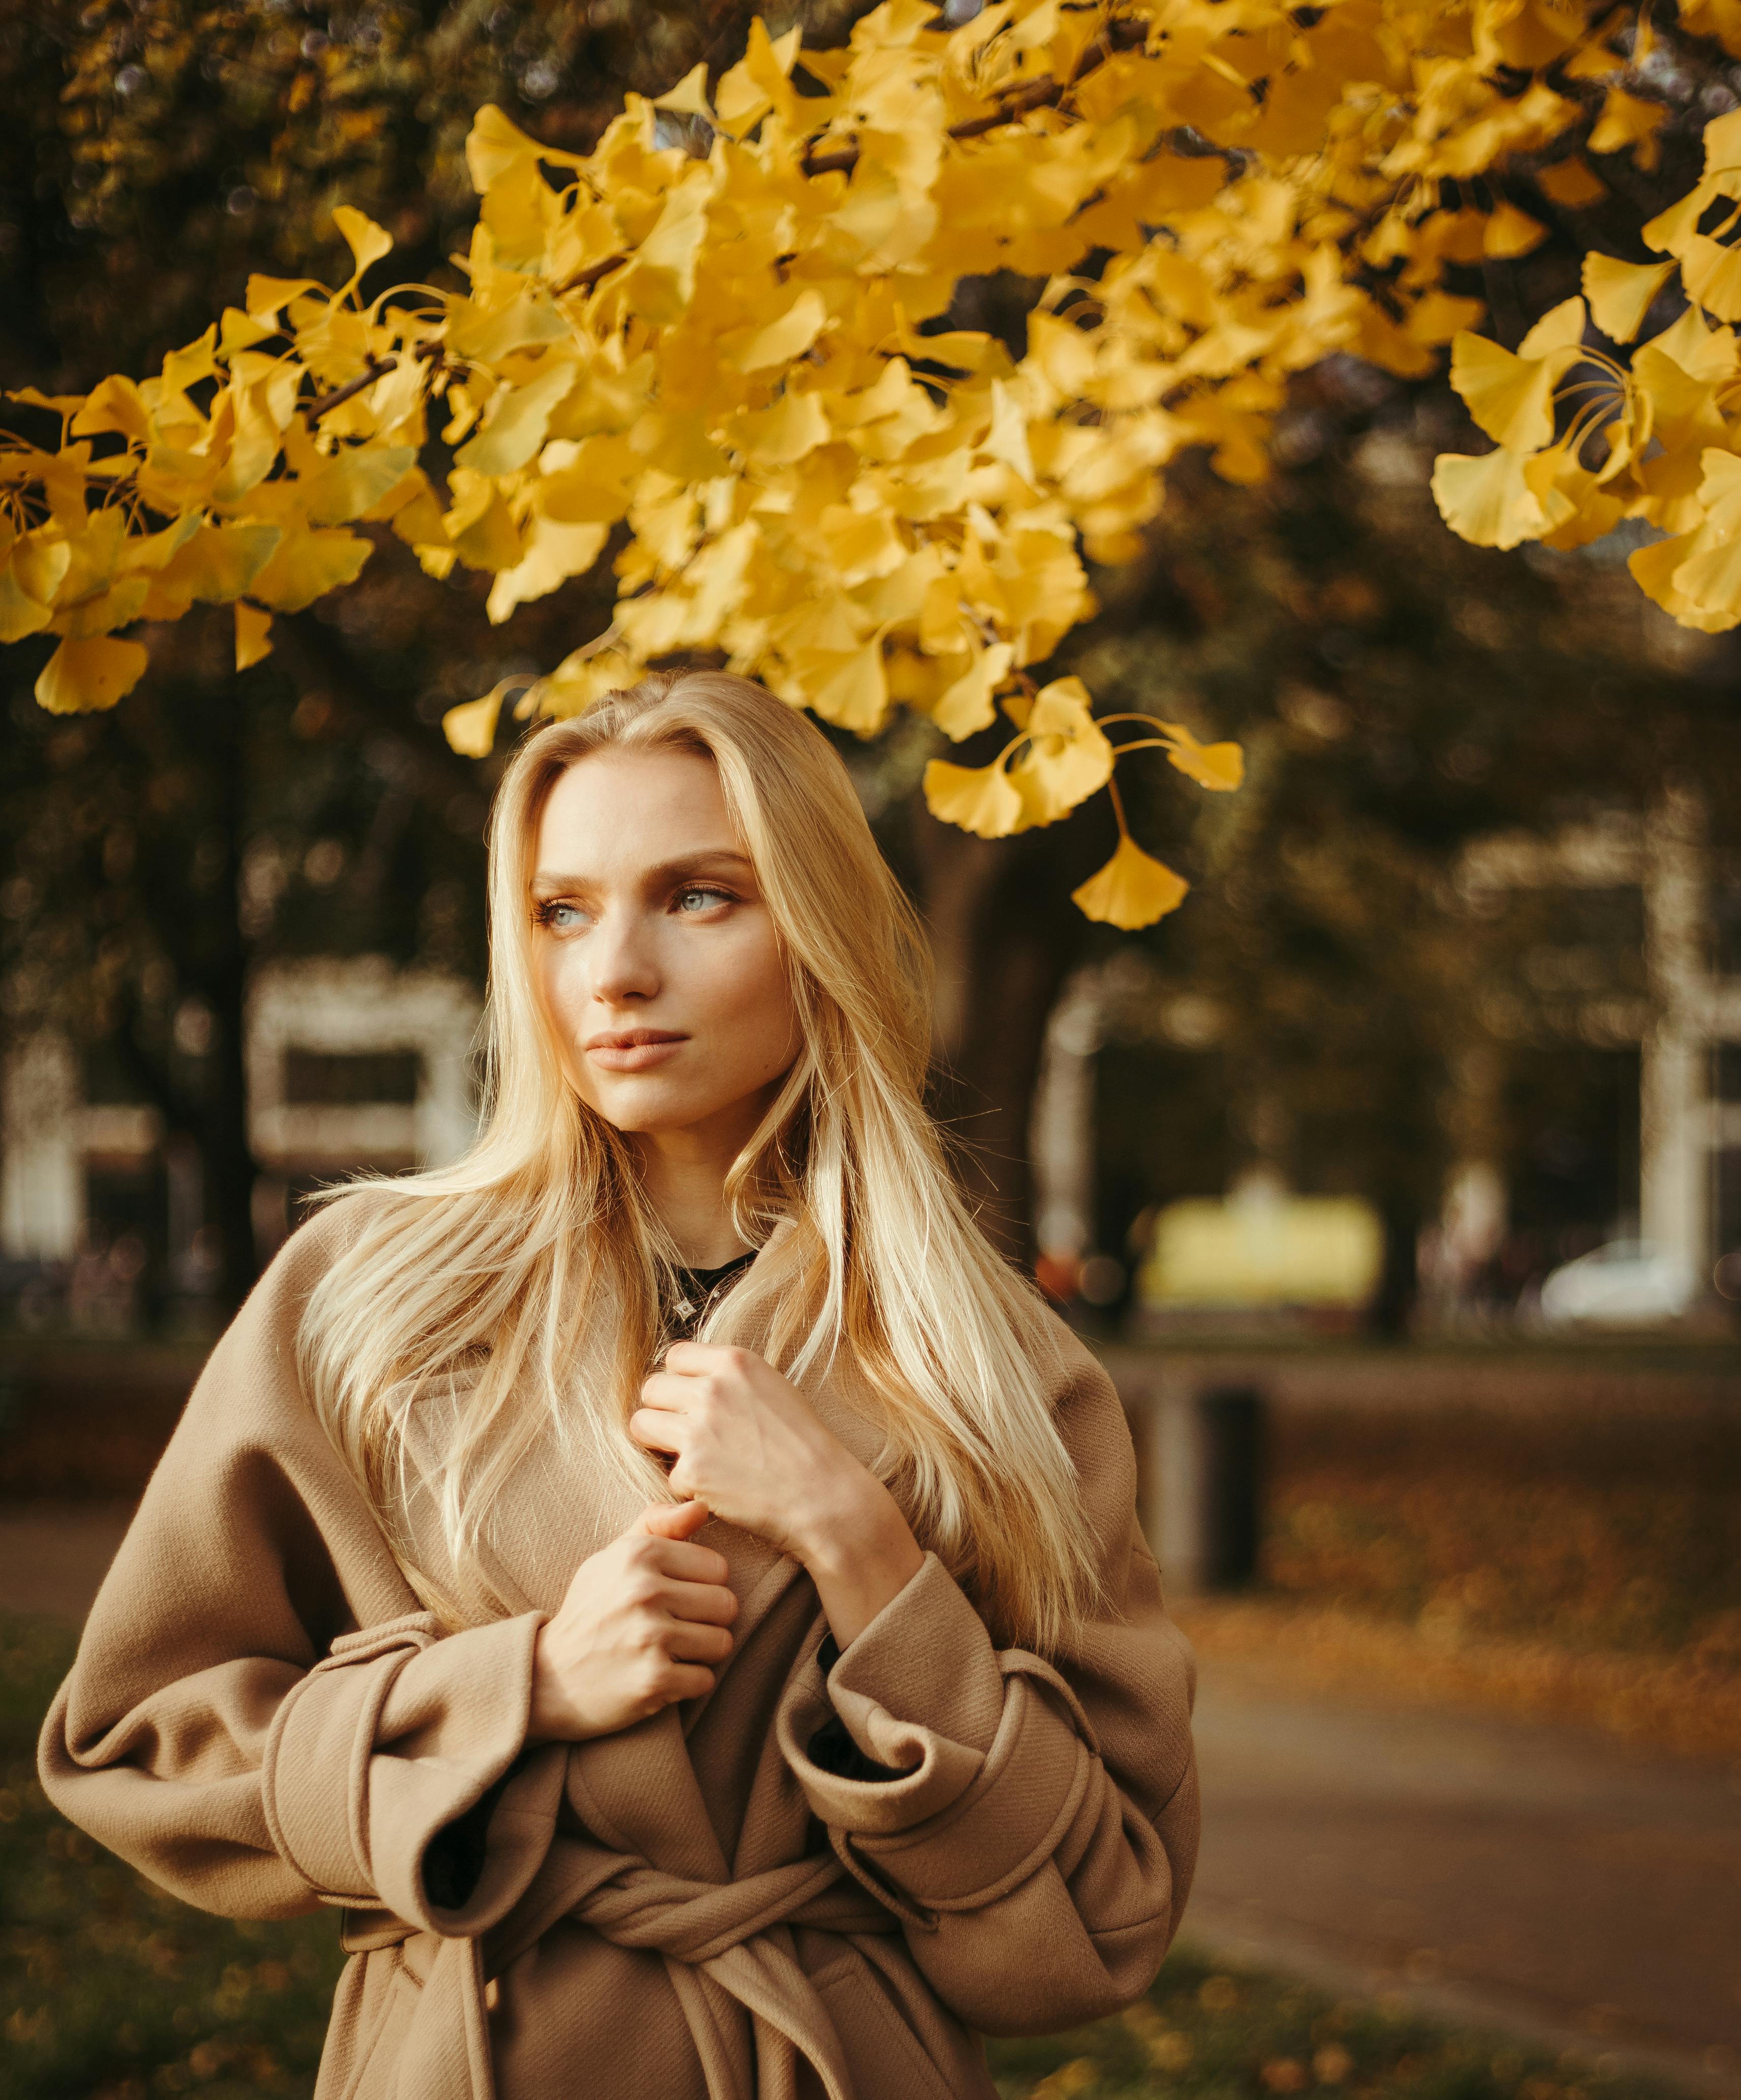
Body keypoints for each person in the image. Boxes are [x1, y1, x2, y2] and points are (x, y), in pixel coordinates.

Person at [39, 670, 1199, 2100]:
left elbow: (1105, 1909)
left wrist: (863, 1550)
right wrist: (517, 1685)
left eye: (700, 896)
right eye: (561, 911)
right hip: (466, 2055)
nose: (614, 973)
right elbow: (137, 1743)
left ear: (816, 928)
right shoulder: (366, 1298)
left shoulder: (998, 1367)